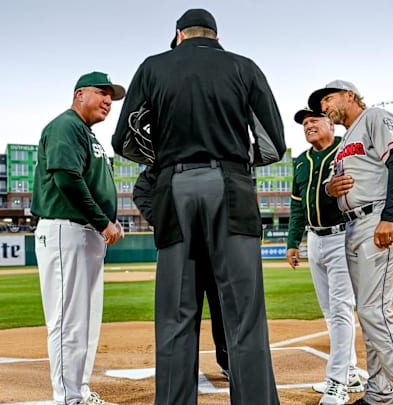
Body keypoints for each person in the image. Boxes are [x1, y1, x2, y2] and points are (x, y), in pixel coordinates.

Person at [112, 8, 285, 404]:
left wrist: (167, 156)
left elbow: (124, 139)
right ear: (217, 37)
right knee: (244, 316)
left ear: (178, 35)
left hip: (174, 188)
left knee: (176, 314)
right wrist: (235, 157)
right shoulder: (244, 67)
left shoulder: (153, 67)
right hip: (231, 188)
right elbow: (272, 143)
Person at [308, 80, 393, 405]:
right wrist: (332, 191)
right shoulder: (346, 138)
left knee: (376, 311)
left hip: (377, 219)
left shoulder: (375, 117)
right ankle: (380, 392)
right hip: (354, 225)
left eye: (328, 99)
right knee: (368, 313)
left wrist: (389, 216)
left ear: (349, 95)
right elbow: (339, 189)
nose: (324, 108)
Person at [32, 71, 125, 405]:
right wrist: (103, 221)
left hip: (85, 232)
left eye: (111, 97)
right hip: (64, 229)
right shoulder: (66, 126)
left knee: (86, 319)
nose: (108, 101)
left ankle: (79, 390)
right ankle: (67, 397)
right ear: (79, 94)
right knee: (67, 319)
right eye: (102, 93)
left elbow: (89, 181)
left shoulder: (87, 134)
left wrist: (107, 219)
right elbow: (67, 179)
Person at [285, 108, 364, 405]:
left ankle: (337, 382)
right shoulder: (301, 162)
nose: (308, 126)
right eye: (304, 124)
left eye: (313, 121)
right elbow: (296, 206)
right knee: (331, 312)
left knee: (342, 309)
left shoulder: (348, 150)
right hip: (315, 239)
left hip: (344, 236)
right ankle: (352, 372)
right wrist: (294, 242)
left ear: (331, 123)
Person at [132, 166, 230, 379]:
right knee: (181, 308)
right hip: (179, 244)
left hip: (216, 244)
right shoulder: (167, 156)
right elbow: (140, 190)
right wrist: (160, 219)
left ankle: (228, 361)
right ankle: (181, 365)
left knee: (223, 307)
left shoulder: (217, 152)